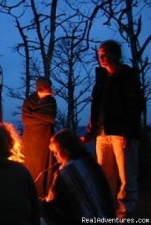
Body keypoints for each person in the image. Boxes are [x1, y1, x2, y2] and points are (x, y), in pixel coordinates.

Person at [82, 40, 144, 218]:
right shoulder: (101, 79)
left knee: (127, 176)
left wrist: (129, 131)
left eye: (104, 54)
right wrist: (91, 128)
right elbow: (97, 106)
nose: (100, 58)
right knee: (104, 177)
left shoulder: (127, 75)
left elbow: (135, 103)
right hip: (102, 133)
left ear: (114, 54)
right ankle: (107, 211)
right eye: (99, 55)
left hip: (122, 134)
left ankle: (125, 213)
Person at [41, 129, 115, 225]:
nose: (54, 155)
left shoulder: (64, 173)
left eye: (56, 152)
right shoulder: (92, 164)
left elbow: (53, 203)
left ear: (66, 151)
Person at [22, 77, 57, 198]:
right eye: (48, 85)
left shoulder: (51, 101)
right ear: (41, 87)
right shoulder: (29, 100)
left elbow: (51, 118)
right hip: (30, 140)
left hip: (45, 137)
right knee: (31, 166)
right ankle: (31, 193)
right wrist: (42, 117)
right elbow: (26, 119)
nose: (51, 88)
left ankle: (43, 194)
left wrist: (33, 113)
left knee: (44, 166)